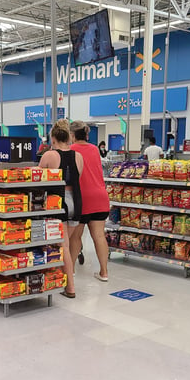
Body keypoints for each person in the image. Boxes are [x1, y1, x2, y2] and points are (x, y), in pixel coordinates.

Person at [39, 120, 83, 298]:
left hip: (59, 203)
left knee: (63, 246)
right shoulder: (78, 156)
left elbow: (37, 178)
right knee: (66, 245)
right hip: (77, 202)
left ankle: (70, 287)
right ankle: (60, 278)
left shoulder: (50, 155)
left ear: (54, 137)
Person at [69, 120, 110, 282]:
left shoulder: (71, 150)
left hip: (81, 198)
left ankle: (70, 270)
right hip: (100, 197)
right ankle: (104, 272)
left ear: (72, 135)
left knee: (75, 237)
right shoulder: (94, 149)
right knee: (99, 236)